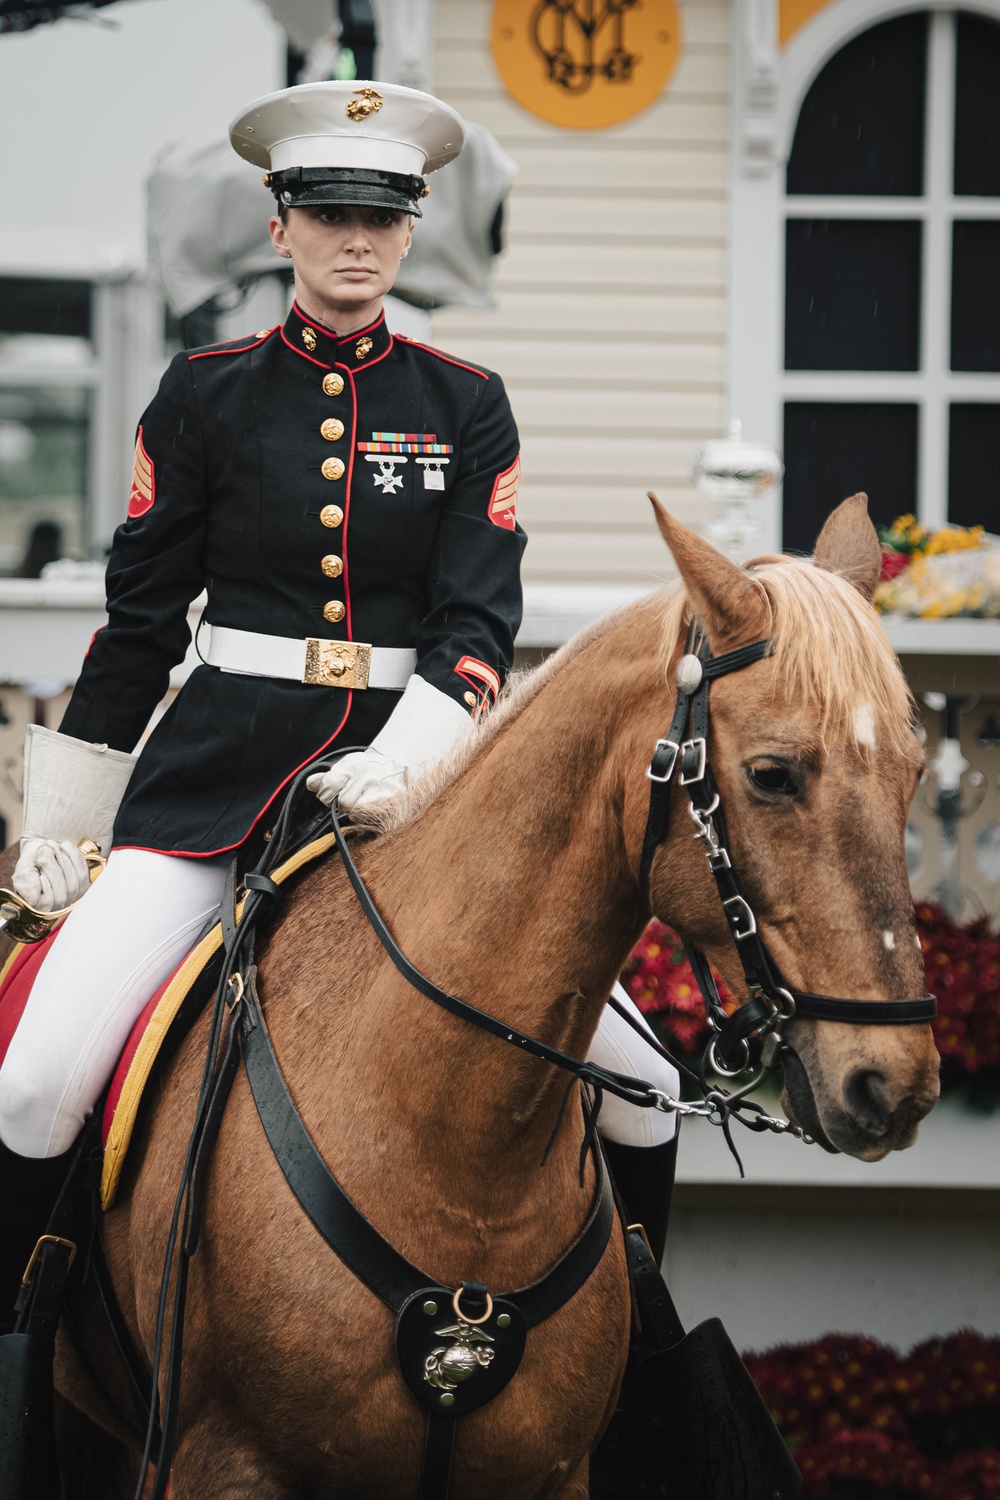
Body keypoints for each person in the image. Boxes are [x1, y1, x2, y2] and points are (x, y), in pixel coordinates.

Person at [0, 78, 678, 1437]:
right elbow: (140, 630)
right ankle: (30, 1378)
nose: (355, 241)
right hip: (211, 796)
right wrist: (64, 814)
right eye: (328, 213)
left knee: (650, 1092)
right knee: (31, 1079)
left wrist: (420, 755)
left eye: (381, 216)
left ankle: (631, 1382)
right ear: (281, 224)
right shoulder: (202, 398)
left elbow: (478, 619)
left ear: (413, 231)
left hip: (416, 801)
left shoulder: (468, 403)